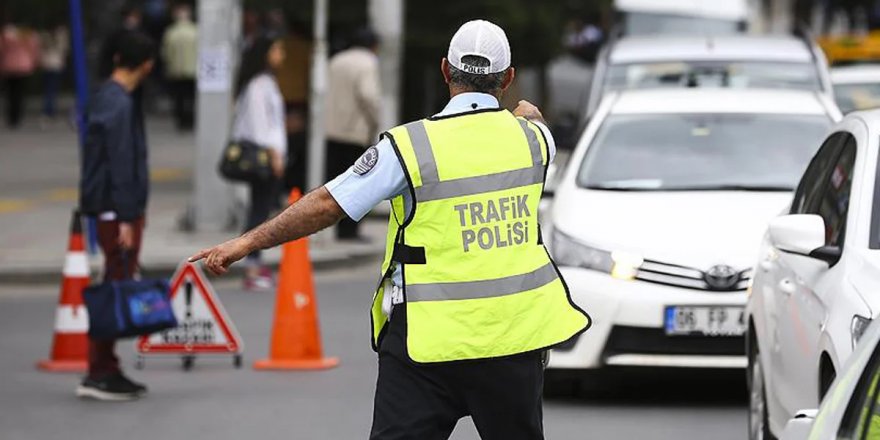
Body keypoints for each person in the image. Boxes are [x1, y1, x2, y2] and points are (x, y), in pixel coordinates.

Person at [191, 20, 590, 439]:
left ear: (444, 70)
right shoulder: (534, 141)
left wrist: (247, 241)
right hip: (513, 341)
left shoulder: (410, 146)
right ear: (508, 78)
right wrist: (526, 113)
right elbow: (534, 119)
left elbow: (329, 203)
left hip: (425, 343)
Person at [77, 31, 155, 401]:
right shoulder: (120, 104)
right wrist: (127, 217)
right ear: (147, 65)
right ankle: (100, 371)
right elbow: (121, 164)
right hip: (116, 211)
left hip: (111, 208)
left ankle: (105, 366)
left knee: (115, 282)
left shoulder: (105, 96)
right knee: (114, 287)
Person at [230, 36, 287, 291]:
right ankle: (251, 265)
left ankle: (254, 262)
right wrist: (274, 155)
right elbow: (259, 125)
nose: (281, 54)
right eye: (277, 49)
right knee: (259, 211)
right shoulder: (258, 85)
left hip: (269, 155)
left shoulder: (265, 82)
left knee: (261, 208)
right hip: (263, 157)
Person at [324, 27, 381, 241]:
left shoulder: (336, 60)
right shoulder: (368, 63)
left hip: (332, 129)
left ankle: (338, 228)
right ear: (374, 45)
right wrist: (375, 121)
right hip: (355, 131)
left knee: (337, 182)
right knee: (358, 183)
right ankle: (350, 230)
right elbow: (369, 95)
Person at [161, 2, 197, 130]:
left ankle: (181, 121)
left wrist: (169, 66)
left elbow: (166, 53)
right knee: (191, 98)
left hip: (176, 70)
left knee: (179, 98)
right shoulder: (196, 31)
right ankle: (191, 120)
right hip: (193, 70)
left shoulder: (171, 32)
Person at [0, 20, 40, 128]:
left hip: (8, 66)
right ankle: (18, 117)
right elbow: (34, 50)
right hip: (23, 66)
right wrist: (34, 62)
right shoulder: (28, 35)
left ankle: (11, 117)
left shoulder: (6, 34)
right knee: (20, 93)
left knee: (10, 93)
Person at [39, 21, 68, 120]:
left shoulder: (45, 37)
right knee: (52, 89)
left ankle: (48, 110)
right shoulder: (59, 36)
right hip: (55, 64)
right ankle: (50, 110)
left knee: (48, 89)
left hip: (48, 64)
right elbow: (64, 49)